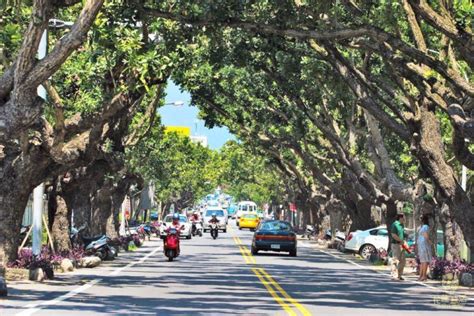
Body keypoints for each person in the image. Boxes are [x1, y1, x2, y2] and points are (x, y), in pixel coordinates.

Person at [390, 212, 407, 280]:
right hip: (396, 244)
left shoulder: (402, 225)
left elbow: (402, 234)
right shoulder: (395, 224)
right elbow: (393, 235)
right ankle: (394, 274)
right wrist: (400, 240)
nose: (405, 218)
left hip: (402, 244)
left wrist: (404, 239)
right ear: (400, 217)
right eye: (404, 217)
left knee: (402, 260)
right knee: (395, 260)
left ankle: (399, 275)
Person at [417, 214, 432, 281]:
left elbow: (424, 235)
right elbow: (425, 235)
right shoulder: (424, 227)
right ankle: (423, 276)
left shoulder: (423, 227)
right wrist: (430, 241)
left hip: (422, 245)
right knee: (424, 261)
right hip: (423, 245)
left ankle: (422, 276)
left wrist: (428, 241)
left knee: (423, 261)